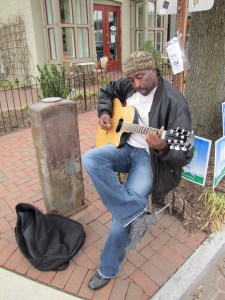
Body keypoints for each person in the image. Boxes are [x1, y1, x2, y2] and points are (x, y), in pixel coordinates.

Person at [82, 51, 193, 290]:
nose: (136, 84)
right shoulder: (129, 85)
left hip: (148, 159)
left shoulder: (174, 102)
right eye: (131, 80)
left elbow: (184, 154)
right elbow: (107, 92)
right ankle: (135, 210)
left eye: (140, 77)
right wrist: (105, 113)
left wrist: (162, 147)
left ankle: (107, 268)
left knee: (119, 219)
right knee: (90, 159)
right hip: (124, 147)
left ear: (153, 70)